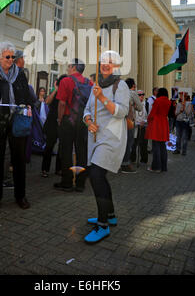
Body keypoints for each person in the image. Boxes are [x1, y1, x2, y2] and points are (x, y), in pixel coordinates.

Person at [0, 41, 35, 210]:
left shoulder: (20, 74)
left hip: (17, 121)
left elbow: (26, 95)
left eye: (12, 57)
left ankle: (20, 196)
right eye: (7, 57)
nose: (11, 60)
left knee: (19, 159)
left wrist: (28, 105)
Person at [83, 51, 130, 244]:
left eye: (110, 62)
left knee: (95, 175)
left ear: (116, 66)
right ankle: (110, 214)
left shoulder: (121, 85)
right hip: (95, 137)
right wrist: (87, 121)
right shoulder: (96, 85)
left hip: (111, 138)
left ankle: (103, 225)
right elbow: (87, 109)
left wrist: (102, 98)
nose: (105, 64)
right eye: (103, 61)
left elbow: (122, 112)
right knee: (99, 176)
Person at [54, 59, 92, 192]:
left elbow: (62, 103)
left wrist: (59, 118)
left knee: (66, 152)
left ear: (74, 67)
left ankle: (67, 182)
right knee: (82, 152)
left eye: (69, 66)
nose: (67, 69)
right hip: (83, 122)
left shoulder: (66, 81)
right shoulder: (90, 83)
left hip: (68, 121)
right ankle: (80, 183)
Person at [41, 75, 67, 178]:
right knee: (49, 146)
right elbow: (47, 101)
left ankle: (58, 169)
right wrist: (55, 90)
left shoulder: (67, 93)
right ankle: (45, 169)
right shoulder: (55, 92)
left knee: (61, 147)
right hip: (52, 122)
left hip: (62, 122)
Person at [145, 88, 171, 173]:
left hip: (156, 124)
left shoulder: (157, 100)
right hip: (164, 123)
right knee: (163, 146)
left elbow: (152, 113)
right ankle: (164, 167)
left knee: (156, 146)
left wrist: (148, 120)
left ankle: (156, 167)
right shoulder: (168, 101)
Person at [121, 78, 142, 173]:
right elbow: (140, 107)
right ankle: (125, 164)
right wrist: (134, 106)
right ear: (133, 86)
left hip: (119, 120)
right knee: (129, 142)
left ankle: (119, 163)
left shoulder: (120, 92)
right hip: (129, 120)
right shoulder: (132, 93)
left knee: (121, 143)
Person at [130, 90, 148, 165]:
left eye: (143, 94)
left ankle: (144, 160)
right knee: (133, 144)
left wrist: (144, 121)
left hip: (143, 127)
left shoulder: (146, 104)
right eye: (140, 95)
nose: (141, 96)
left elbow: (148, 116)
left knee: (143, 144)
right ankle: (132, 159)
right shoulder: (133, 105)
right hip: (135, 127)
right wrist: (137, 123)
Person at [146, 87, 159, 152]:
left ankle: (153, 147)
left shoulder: (157, 99)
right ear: (154, 91)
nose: (158, 92)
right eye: (157, 91)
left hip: (156, 120)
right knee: (150, 134)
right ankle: (149, 148)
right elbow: (149, 110)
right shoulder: (150, 99)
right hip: (151, 119)